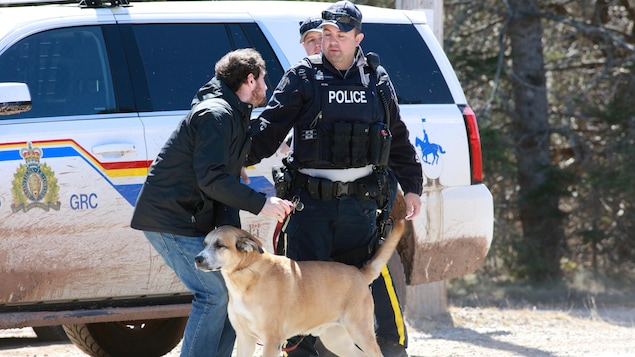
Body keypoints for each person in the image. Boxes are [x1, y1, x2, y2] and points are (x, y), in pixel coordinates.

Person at [247, 2, 423, 357]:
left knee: (363, 282)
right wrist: (235, 159)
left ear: (358, 38)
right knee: (301, 290)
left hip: (359, 207)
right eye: (327, 34)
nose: (332, 42)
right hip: (311, 206)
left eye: (341, 36)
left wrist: (413, 186)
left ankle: (389, 348)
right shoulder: (302, 76)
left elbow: (397, 136)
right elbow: (268, 129)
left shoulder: (376, 79)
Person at [131, 48, 292, 357]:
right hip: (171, 220)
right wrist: (262, 203)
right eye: (263, 79)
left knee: (232, 291)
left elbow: (235, 156)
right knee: (213, 294)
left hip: (190, 217)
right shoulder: (216, 114)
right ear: (249, 79)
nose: (266, 87)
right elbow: (213, 180)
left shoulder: (232, 111)